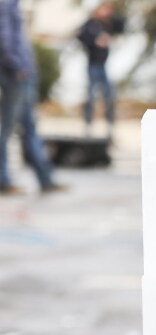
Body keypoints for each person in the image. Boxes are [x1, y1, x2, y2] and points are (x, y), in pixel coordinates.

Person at [0, 0, 65, 195]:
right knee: (8, 129)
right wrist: (17, 66)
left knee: (29, 127)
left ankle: (45, 178)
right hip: (16, 74)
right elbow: (4, 36)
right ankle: (3, 179)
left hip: (21, 72)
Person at [76, 0, 124, 137]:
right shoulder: (91, 24)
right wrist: (95, 41)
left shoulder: (107, 24)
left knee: (108, 95)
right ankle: (88, 125)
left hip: (104, 64)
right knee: (91, 95)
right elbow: (80, 35)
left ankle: (109, 126)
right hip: (93, 64)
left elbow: (121, 24)